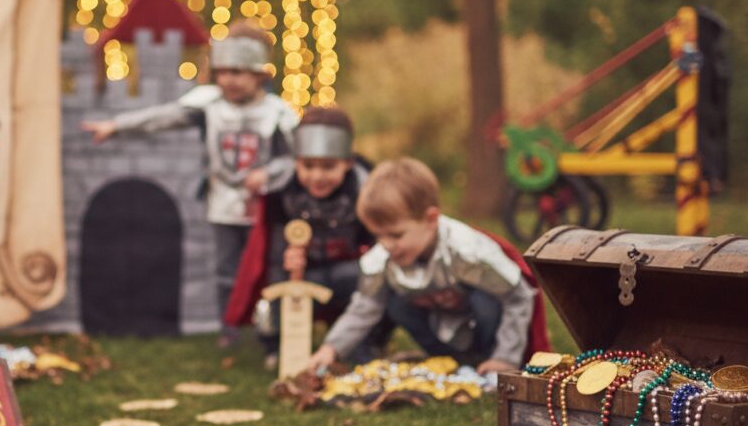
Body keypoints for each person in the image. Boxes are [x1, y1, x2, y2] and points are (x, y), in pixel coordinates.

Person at [81, 21, 299, 347]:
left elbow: (295, 158)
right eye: (223, 72)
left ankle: (272, 338)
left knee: (269, 271)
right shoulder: (209, 105)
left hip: (265, 210)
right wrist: (116, 126)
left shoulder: (278, 113)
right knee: (226, 271)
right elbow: (162, 117)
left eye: (238, 73)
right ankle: (231, 330)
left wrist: (268, 174)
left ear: (258, 75)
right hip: (223, 202)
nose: (228, 80)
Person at [305, 157, 549, 375]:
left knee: (485, 301)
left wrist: (505, 357)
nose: (387, 244)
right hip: (439, 322)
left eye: (396, 235)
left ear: (431, 220)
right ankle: (448, 358)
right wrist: (331, 348)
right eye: (378, 235)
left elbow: (518, 296)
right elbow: (365, 306)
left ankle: (487, 359)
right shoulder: (382, 258)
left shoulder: (466, 252)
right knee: (396, 304)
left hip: (483, 324)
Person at [223, 106, 388, 369]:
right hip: (301, 272)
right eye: (308, 166)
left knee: (374, 279)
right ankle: (277, 344)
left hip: (346, 270)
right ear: (296, 162)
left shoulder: (363, 188)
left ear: (347, 163)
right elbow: (274, 248)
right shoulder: (284, 192)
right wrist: (288, 261)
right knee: (276, 282)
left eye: (328, 166)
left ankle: (365, 343)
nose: (317, 176)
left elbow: (377, 248)